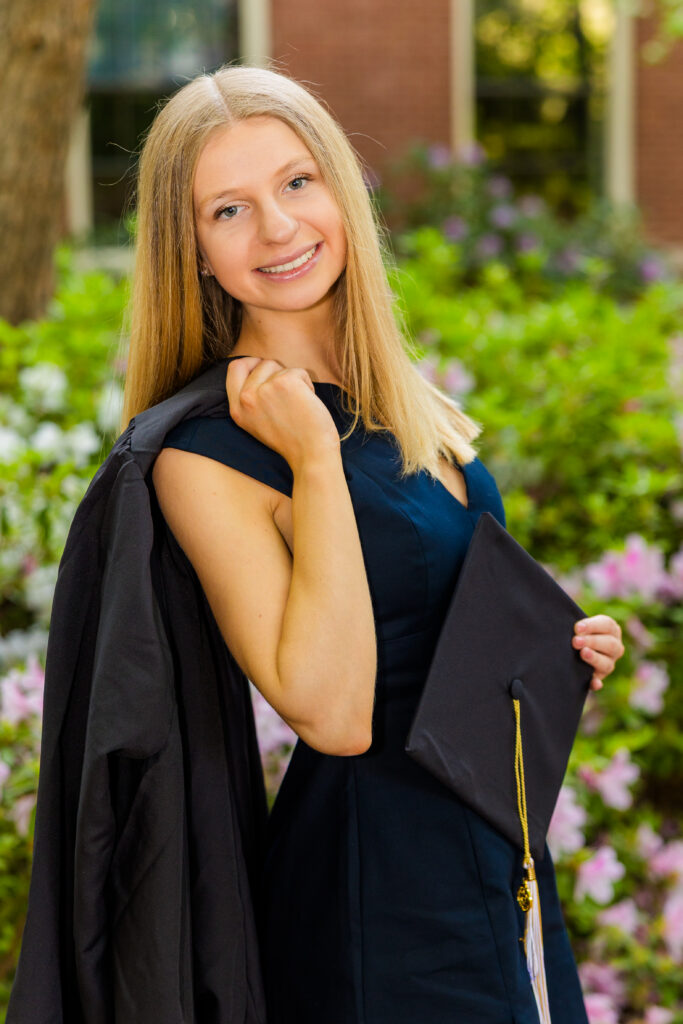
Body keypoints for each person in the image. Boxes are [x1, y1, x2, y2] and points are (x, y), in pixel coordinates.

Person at [122, 63, 626, 1023]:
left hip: (496, 857)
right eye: (227, 209)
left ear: (340, 192)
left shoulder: (398, 401)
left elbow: (433, 631)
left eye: (297, 183)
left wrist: (548, 664)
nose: (277, 228)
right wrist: (312, 460)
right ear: (187, 248)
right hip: (379, 895)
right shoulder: (205, 454)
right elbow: (334, 715)